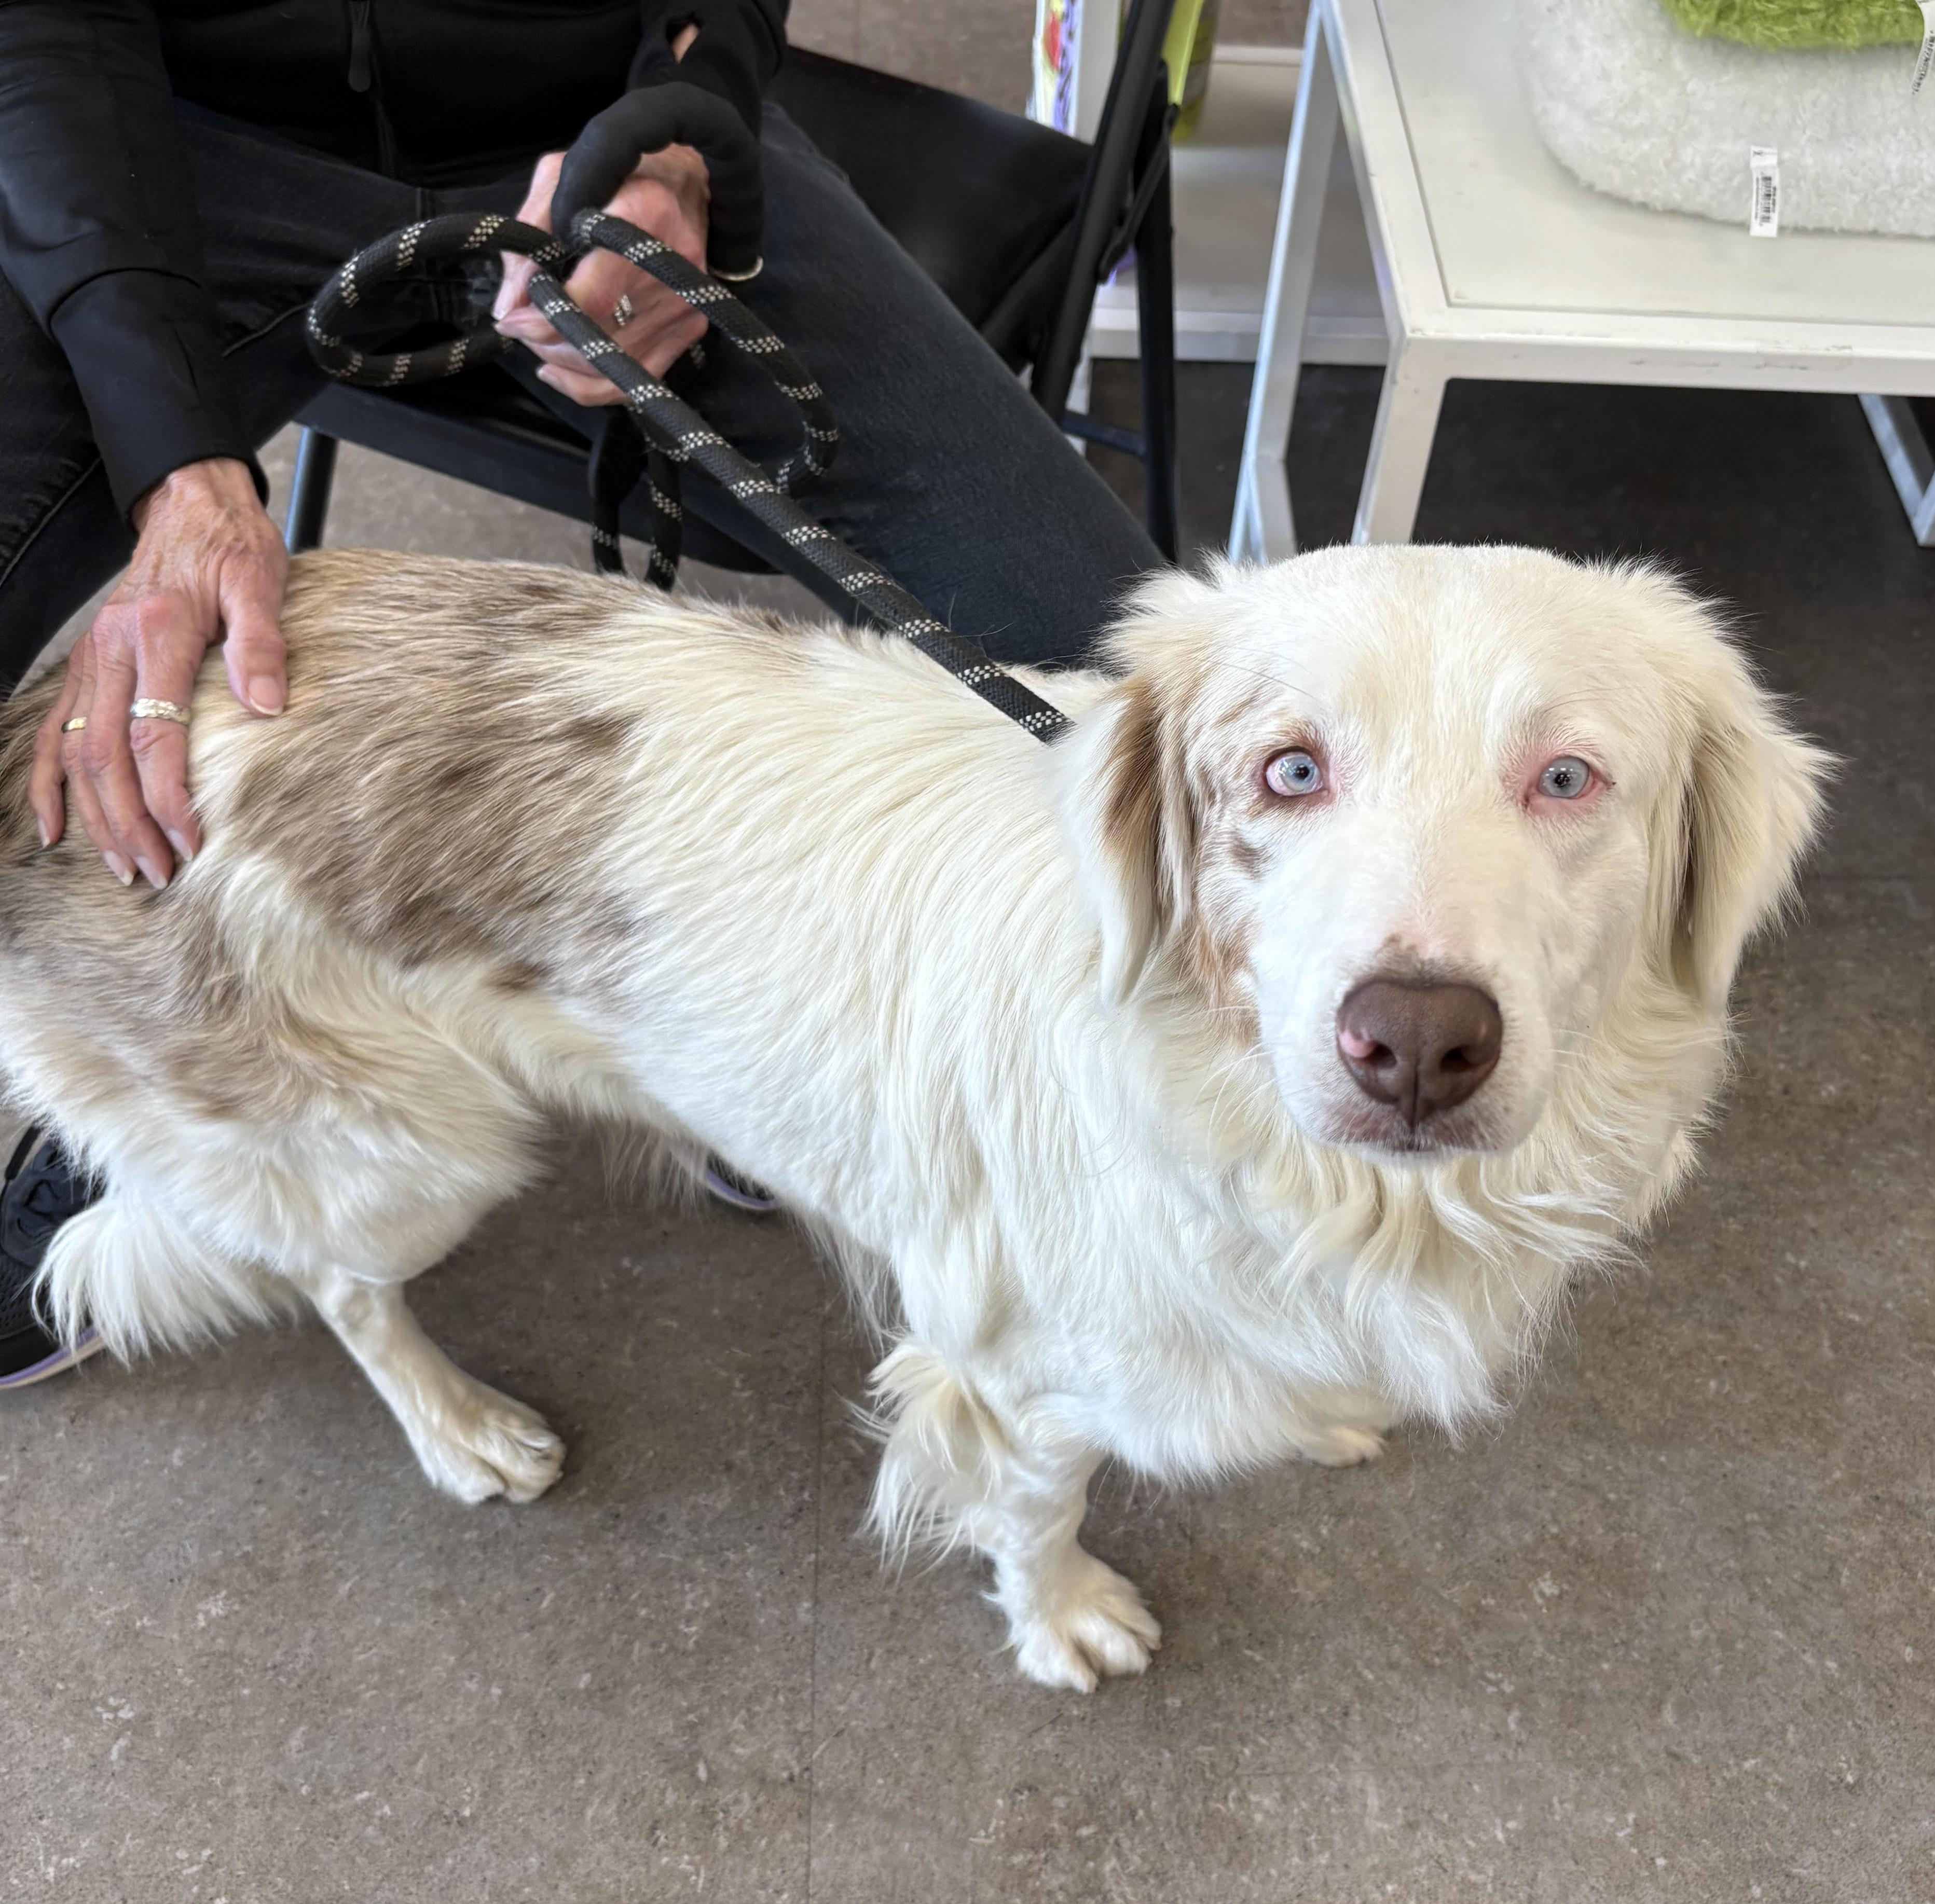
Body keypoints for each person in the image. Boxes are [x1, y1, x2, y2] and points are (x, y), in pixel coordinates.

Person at [0, 1, 1163, 1387]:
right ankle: (140, 1093)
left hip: (599, 141)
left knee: (1118, 690)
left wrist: (678, 154)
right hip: (181, 152)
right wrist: (180, 474)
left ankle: (824, 1046)